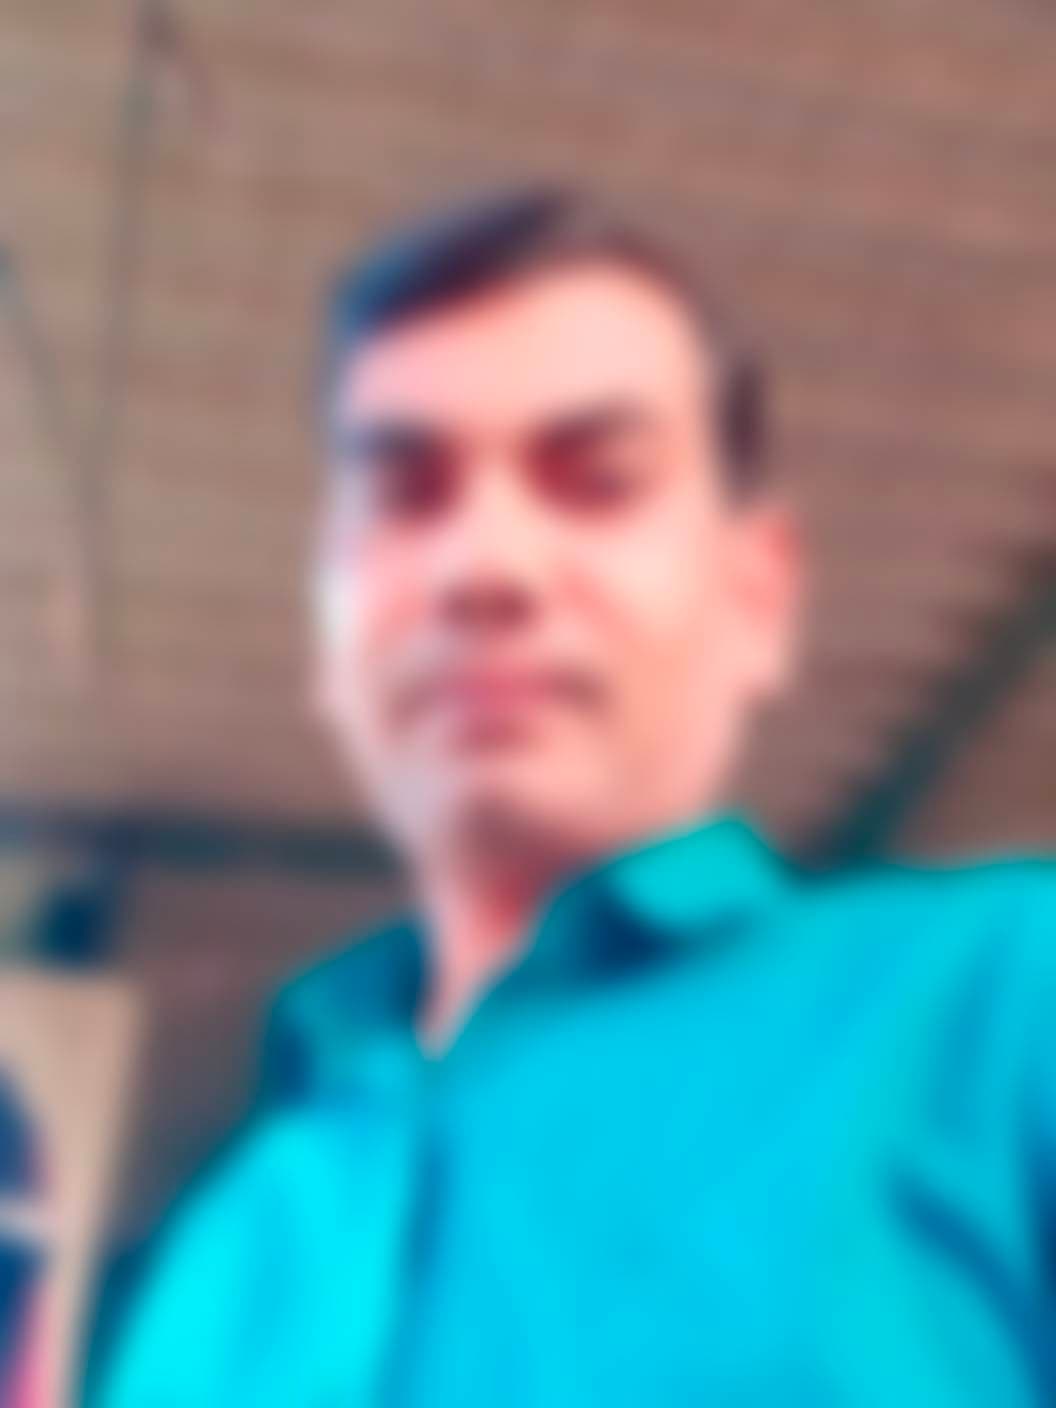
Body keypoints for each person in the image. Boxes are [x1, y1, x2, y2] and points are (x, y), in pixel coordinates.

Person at [98, 187, 1056, 1406]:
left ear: (758, 594)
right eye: (406, 495)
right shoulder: (220, 1246)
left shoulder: (1011, 998)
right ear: (326, 625)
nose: (483, 564)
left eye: (598, 480)